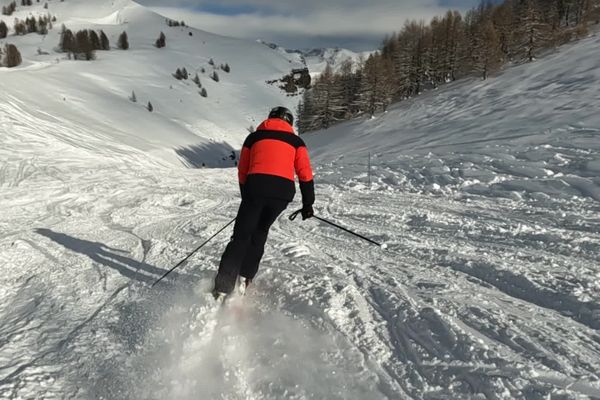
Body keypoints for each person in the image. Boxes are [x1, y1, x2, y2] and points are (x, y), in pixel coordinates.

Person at [213, 106, 315, 298]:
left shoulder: (254, 138)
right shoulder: (296, 141)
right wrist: (308, 203)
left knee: (242, 236)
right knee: (260, 232)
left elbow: (243, 169)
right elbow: (305, 173)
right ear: (289, 122)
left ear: (269, 119)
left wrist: (247, 196)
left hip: (256, 188)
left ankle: (223, 287)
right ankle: (245, 278)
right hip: (282, 194)